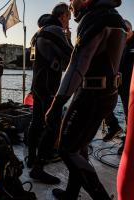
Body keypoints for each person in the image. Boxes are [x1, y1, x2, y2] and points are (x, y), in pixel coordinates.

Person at [45, 0, 126, 199]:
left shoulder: (94, 19)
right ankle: (71, 193)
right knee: (80, 146)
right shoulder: (117, 20)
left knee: (66, 149)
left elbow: (77, 66)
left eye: (73, 0)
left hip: (90, 96)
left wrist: (56, 105)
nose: (71, 4)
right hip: (108, 94)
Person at [27, 3, 73, 184]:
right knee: (54, 125)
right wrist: (68, 38)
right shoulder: (55, 30)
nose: (69, 22)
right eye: (68, 18)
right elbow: (72, 56)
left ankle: (31, 157)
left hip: (38, 84)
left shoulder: (40, 31)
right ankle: (38, 167)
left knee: (36, 121)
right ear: (62, 16)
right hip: (48, 86)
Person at [103, 20, 134, 154]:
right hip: (116, 84)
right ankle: (113, 126)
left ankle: (128, 143)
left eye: (125, 31)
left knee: (129, 116)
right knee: (102, 104)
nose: (123, 34)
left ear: (130, 29)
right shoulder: (118, 43)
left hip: (131, 87)